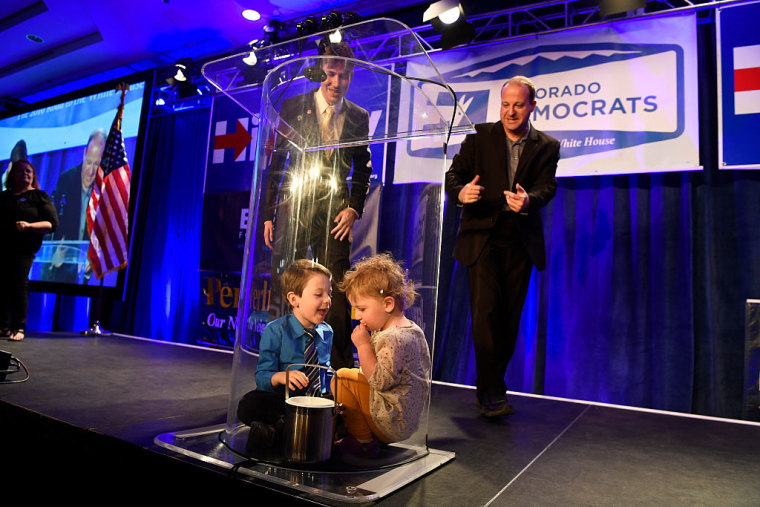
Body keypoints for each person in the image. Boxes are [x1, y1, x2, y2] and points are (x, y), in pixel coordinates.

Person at [444, 76, 559, 418]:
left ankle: (492, 386)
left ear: (532, 106)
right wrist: (461, 193)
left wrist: (529, 201)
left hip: (520, 242)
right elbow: (454, 177)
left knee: (508, 321)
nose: (510, 111)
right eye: (505, 104)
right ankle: (490, 390)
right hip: (482, 238)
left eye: (518, 105)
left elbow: (547, 186)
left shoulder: (547, 146)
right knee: (485, 316)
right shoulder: (480, 137)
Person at [263, 41, 372, 371]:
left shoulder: (358, 116)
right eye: (330, 74)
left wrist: (353, 208)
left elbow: (363, 169)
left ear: (351, 77)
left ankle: (338, 372)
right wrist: (269, 214)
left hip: (335, 215)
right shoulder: (294, 105)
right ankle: (280, 368)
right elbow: (277, 162)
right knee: (289, 286)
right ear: (319, 72)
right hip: (295, 208)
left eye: (343, 76)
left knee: (336, 294)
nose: (336, 83)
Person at [332, 253, 431, 458]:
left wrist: (363, 345)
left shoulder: (393, 338)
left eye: (361, 309)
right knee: (352, 375)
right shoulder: (411, 329)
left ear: (388, 304)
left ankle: (364, 441)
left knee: (341, 378)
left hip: (391, 422)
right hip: (405, 420)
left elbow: (379, 380)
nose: (357, 316)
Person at [236, 259, 334, 452]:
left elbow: (326, 369)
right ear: (293, 299)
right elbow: (262, 375)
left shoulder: (327, 331)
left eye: (329, 294)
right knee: (248, 404)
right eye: (318, 294)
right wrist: (280, 377)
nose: (328, 300)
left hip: (316, 400)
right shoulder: (275, 330)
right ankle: (287, 426)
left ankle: (285, 430)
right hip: (285, 400)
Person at [0, 160, 59, 341]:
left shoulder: (39, 197)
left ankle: (19, 327)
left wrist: (29, 226)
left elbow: (52, 224)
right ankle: (2, 327)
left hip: (24, 249)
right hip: (2, 247)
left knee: (19, 284)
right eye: (20, 171)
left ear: (33, 176)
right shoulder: (4, 197)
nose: (25, 173)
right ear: (12, 175)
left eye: (28, 171)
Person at [45, 129, 106, 283]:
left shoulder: (105, 189)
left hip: (84, 277)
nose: (91, 171)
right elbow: (49, 221)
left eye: (96, 165)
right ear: (84, 153)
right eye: (89, 162)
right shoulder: (66, 180)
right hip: (56, 272)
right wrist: (53, 254)